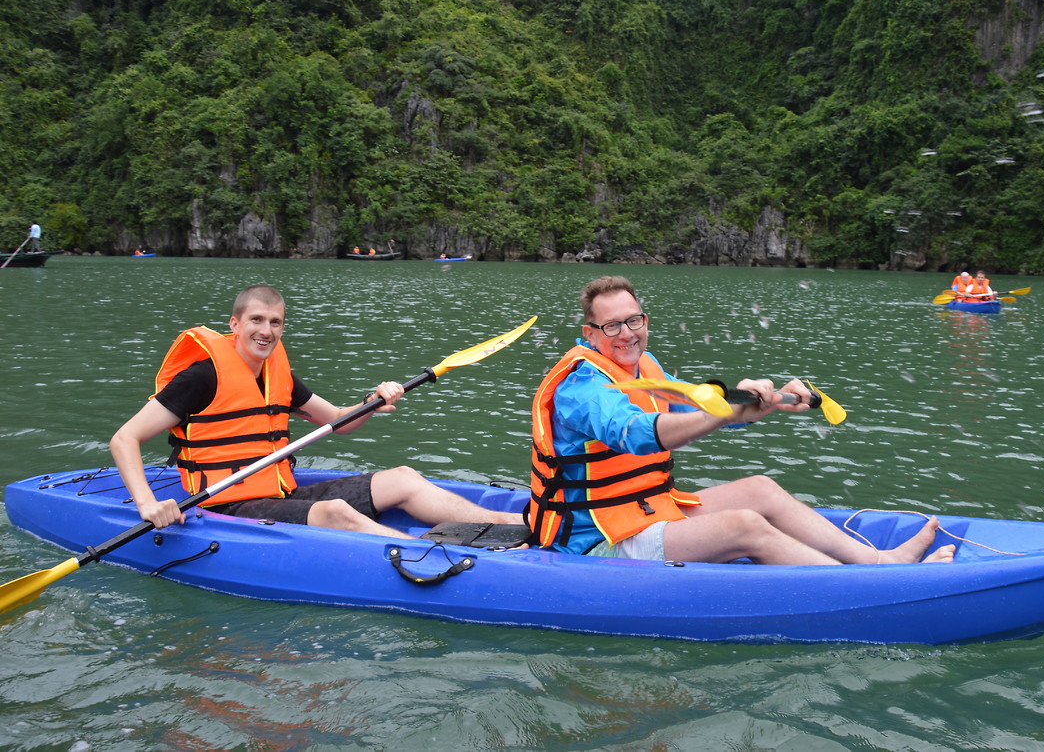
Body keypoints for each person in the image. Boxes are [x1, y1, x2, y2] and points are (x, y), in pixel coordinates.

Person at [527, 275, 954, 565]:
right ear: (591, 334)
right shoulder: (581, 389)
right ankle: (873, 587)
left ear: (645, 321)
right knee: (743, 524)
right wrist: (726, 410)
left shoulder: (646, 366)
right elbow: (639, 435)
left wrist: (759, 406)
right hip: (596, 540)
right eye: (611, 326)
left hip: (647, 510)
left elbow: (696, 410)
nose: (626, 334)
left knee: (761, 490)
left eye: (633, 321)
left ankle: (880, 561)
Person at [111, 284, 520, 537]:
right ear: (234, 324)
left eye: (275, 322)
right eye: (256, 319)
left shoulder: (278, 375)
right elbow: (125, 439)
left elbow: (337, 422)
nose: (266, 331)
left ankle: (507, 526)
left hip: (280, 493)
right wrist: (149, 504)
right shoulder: (202, 377)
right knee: (335, 511)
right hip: (225, 506)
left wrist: (373, 403)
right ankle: (431, 556)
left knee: (404, 478)